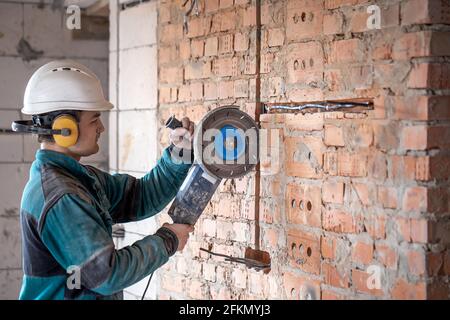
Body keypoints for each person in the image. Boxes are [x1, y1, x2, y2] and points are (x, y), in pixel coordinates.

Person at [15, 60, 194, 300]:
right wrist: (168, 240)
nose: (101, 127)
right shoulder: (62, 196)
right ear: (65, 129)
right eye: (94, 119)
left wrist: (179, 152)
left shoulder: (78, 179)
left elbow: (141, 197)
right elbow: (106, 275)